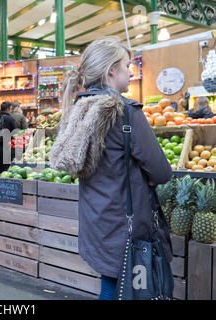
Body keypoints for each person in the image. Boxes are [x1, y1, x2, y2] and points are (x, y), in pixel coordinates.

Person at [49, 37, 173, 300]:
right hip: (125, 225)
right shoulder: (126, 113)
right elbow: (162, 172)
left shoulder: (79, 109)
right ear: (111, 71)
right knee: (128, 288)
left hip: (97, 221)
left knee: (112, 283)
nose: (131, 71)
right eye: (127, 65)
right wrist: (145, 178)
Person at [0, 101, 17, 174]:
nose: (11, 111)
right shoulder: (10, 119)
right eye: (11, 109)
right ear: (7, 109)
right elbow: (15, 133)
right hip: (7, 148)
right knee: (6, 170)